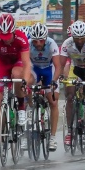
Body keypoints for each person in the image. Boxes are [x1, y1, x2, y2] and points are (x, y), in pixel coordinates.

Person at [0, 14, 32, 157]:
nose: (6, 39)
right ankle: (0, 140)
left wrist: (24, 82)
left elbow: (27, 63)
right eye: (3, 36)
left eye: (8, 36)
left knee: (16, 75)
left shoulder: (21, 38)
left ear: (14, 31)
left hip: (17, 64)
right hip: (2, 66)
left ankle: (21, 107)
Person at [59, 20, 85, 147]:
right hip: (76, 67)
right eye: (76, 38)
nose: (79, 41)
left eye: (81, 38)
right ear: (72, 36)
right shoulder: (67, 43)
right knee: (70, 96)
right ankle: (70, 131)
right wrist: (61, 76)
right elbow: (61, 64)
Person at [28, 22, 62, 151]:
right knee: (27, 84)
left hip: (49, 70)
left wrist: (53, 81)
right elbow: (26, 63)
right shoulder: (29, 43)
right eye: (35, 41)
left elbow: (58, 66)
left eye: (40, 41)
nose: (38, 44)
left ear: (45, 38)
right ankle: (31, 109)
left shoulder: (51, 44)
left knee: (53, 102)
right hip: (35, 69)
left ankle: (52, 138)